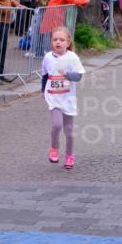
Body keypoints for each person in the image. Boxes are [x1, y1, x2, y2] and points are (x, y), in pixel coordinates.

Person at [41, 25, 85, 170]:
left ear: (68, 42)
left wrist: (66, 74)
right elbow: (45, 76)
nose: (58, 42)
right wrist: (43, 91)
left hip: (68, 99)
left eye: (61, 40)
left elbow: (78, 76)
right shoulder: (48, 57)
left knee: (69, 131)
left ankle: (69, 156)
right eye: (55, 40)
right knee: (57, 125)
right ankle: (54, 148)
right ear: (51, 42)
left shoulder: (72, 58)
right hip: (53, 98)